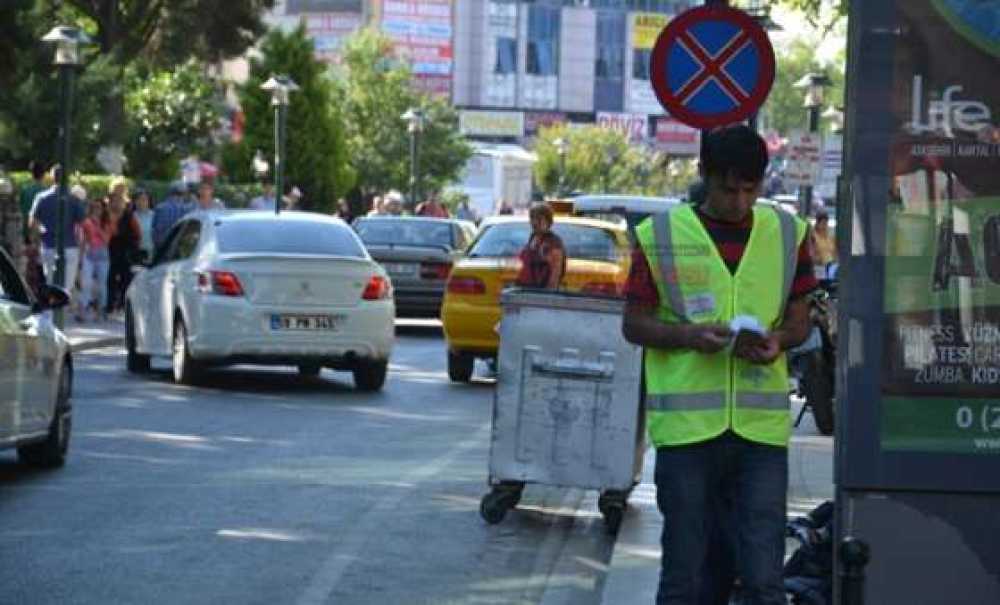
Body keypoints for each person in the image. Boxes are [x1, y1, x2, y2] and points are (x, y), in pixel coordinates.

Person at [621, 125, 816, 605]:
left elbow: (800, 319)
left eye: (751, 190)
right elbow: (633, 324)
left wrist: (779, 340)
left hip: (759, 434)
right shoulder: (661, 235)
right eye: (729, 189)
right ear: (705, 175)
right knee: (685, 575)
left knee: (764, 577)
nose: (740, 202)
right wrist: (688, 336)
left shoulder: (789, 233)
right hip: (687, 433)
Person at [28, 165, 86, 294]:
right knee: (66, 289)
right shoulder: (73, 199)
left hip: (48, 245)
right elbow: (83, 224)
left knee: (51, 285)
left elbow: (32, 223)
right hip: (70, 246)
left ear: (52, 178)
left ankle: (52, 313)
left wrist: (41, 233)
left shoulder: (42, 197)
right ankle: (62, 313)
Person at [106, 179, 141, 315]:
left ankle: (122, 304)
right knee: (110, 277)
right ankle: (110, 304)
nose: (119, 193)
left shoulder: (128, 210)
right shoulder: (106, 206)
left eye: (121, 190)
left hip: (125, 247)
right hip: (110, 245)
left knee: (125, 277)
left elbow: (136, 231)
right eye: (117, 190)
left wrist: (134, 247)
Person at [515, 204, 565, 290]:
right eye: (532, 218)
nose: (534, 222)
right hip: (526, 289)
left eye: (539, 219)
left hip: (541, 292)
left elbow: (555, 272)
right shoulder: (533, 238)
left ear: (548, 221)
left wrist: (548, 294)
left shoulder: (553, 242)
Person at [78, 197, 111, 322]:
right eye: (94, 207)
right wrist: (81, 258)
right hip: (89, 254)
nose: (97, 210)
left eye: (99, 207)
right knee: (86, 283)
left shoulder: (106, 223)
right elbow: (83, 240)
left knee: (102, 285)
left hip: (103, 255)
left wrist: (97, 226)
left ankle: (101, 309)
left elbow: (106, 240)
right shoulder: (86, 222)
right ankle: (83, 309)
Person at [152, 181, 193, 248]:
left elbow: (154, 231)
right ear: (184, 193)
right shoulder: (186, 210)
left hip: (160, 250)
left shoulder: (159, 208)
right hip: (176, 250)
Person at [18, 160, 47, 241]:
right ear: (43, 174)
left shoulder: (25, 190)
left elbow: (21, 209)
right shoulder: (46, 191)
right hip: (42, 231)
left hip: (26, 229)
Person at [132, 188, 155, 263]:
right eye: (138, 199)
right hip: (135, 251)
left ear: (148, 201)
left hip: (150, 250)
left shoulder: (154, 216)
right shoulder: (131, 216)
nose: (141, 202)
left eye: (144, 199)